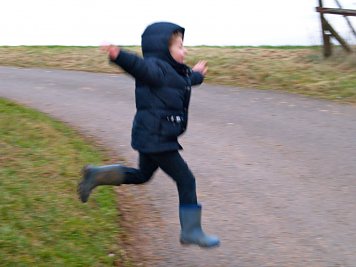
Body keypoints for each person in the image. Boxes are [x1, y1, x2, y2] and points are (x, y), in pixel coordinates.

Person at [77, 22, 220, 248]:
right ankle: (191, 231)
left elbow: (186, 80)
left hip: (152, 136)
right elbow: (138, 67)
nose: (185, 51)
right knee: (186, 179)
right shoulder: (155, 70)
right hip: (157, 138)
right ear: (164, 49)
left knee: (143, 175)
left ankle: (96, 175)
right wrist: (119, 55)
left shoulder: (173, 72)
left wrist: (198, 75)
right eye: (180, 47)